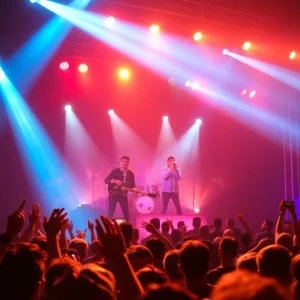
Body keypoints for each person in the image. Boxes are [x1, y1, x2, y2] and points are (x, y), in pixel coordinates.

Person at [104, 156, 136, 220]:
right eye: (124, 161)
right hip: (113, 194)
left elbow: (132, 185)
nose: (125, 163)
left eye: (127, 161)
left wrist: (135, 190)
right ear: (121, 162)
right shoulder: (115, 171)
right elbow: (106, 180)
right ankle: (107, 227)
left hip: (123, 195)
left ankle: (127, 228)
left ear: (129, 163)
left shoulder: (131, 173)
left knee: (126, 213)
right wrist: (115, 181)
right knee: (111, 212)